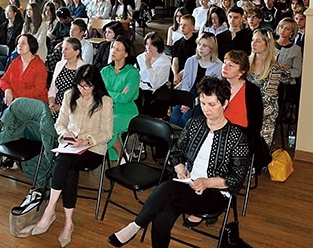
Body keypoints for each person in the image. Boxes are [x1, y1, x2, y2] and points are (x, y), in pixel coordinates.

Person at [108, 77, 249, 248]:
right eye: (203, 103)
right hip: (186, 185)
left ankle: (134, 226)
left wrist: (207, 182)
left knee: (167, 189)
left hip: (215, 193)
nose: (206, 109)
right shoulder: (194, 124)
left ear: (225, 103)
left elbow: (237, 178)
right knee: (162, 215)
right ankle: (136, 228)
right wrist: (179, 166)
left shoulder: (236, 137)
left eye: (212, 104)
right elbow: (176, 152)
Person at [33, 65, 113, 247]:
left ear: (95, 85)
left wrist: (86, 141)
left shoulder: (105, 101)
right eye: (80, 85)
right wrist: (66, 134)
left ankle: (50, 211)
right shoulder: (70, 95)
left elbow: (107, 134)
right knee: (68, 165)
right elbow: (59, 124)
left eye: (87, 86)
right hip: (70, 146)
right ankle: (67, 222)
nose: (82, 90)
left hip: (93, 149)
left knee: (64, 162)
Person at [169, 33, 223, 127]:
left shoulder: (218, 66)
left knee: (187, 120)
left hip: (205, 98)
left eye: (204, 45)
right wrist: (185, 101)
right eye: (199, 44)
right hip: (189, 93)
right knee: (174, 118)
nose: (200, 48)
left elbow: (211, 91)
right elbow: (185, 83)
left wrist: (193, 103)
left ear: (212, 48)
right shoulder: (191, 61)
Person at [101, 36, 140, 161]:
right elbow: (98, 93)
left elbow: (126, 98)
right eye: (113, 47)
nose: (113, 51)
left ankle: (121, 155)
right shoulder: (105, 71)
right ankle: (118, 155)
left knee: (109, 124)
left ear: (126, 54)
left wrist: (107, 93)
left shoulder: (132, 73)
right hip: (106, 109)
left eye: (118, 49)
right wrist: (117, 94)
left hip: (126, 112)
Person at [248, 29, 285, 147]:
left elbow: (268, 97)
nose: (253, 44)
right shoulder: (246, 64)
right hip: (246, 108)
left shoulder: (274, 69)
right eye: (253, 40)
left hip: (265, 111)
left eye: (258, 41)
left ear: (267, 44)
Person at [0, 34, 48, 106]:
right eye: (18, 43)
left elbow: (38, 91)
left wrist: (17, 98)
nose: (19, 45)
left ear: (31, 45)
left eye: (23, 43)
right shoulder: (16, 62)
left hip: (32, 103)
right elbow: (3, 80)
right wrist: (7, 90)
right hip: (14, 101)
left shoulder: (39, 65)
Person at [48, 37, 86, 118]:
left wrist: (62, 107)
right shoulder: (59, 65)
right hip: (56, 104)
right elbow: (52, 89)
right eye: (62, 48)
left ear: (76, 52)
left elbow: (83, 96)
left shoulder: (84, 69)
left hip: (73, 107)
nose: (62, 52)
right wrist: (51, 103)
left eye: (66, 49)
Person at [137, 32, 171, 112]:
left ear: (158, 46)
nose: (148, 47)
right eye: (147, 44)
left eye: (152, 45)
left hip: (156, 90)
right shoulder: (140, 58)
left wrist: (148, 64)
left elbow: (155, 83)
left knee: (147, 104)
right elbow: (135, 75)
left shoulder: (165, 62)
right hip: (141, 87)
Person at [275, 17, 303, 84]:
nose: (283, 30)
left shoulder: (296, 49)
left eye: (287, 29)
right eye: (281, 27)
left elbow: (297, 72)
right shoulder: (269, 45)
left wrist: (285, 69)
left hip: (287, 85)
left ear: (291, 33)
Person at [171, 15, 197, 85]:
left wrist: (179, 75)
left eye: (185, 25)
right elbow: (175, 61)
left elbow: (194, 63)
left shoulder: (197, 43)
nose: (182, 27)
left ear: (192, 27)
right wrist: (175, 74)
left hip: (193, 73)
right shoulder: (177, 43)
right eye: (181, 24)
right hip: (178, 75)